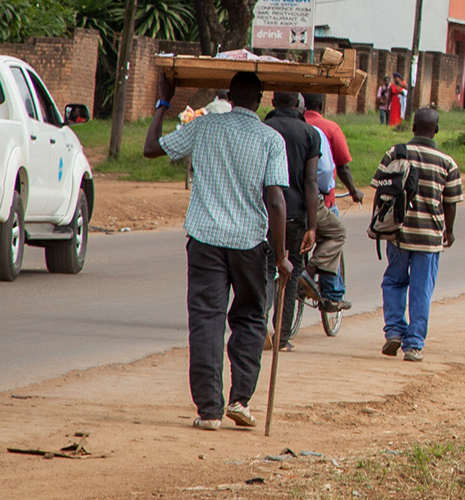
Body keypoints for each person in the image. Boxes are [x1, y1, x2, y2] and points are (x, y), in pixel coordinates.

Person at [145, 72, 290, 431]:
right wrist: (283, 254)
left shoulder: (204, 127)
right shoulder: (271, 139)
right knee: (252, 318)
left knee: (206, 320)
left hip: (206, 239)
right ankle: (241, 399)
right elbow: (275, 200)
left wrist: (164, 103)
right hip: (249, 243)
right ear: (260, 98)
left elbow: (151, 148)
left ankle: (209, 411)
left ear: (229, 94)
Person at [373, 107, 463, 362]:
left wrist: (378, 224)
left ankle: (393, 331)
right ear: (436, 130)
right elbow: (451, 202)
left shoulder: (395, 152)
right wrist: (450, 231)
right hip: (430, 238)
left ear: (412, 127)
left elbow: (380, 189)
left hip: (398, 233)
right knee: (421, 290)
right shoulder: (447, 162)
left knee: (393, 281)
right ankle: (413, 344)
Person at [260, 89, 327, 347]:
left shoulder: (264, 128)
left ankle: (260, 322)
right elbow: (311, 181)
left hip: (265, 211)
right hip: (296, 215)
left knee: (265, 268)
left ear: (273, 102)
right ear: (299, 104)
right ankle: (282, 336)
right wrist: (312, 225)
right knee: (290, 270)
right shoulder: (310, 134)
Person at [300, 93, 359, 311]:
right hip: (320, 199)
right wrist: (353, 191)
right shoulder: (328, 129)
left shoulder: (277, 127)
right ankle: (332, 295)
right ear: (322, 105)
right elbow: (339, 167)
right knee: (335, 235)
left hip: (282, 199)